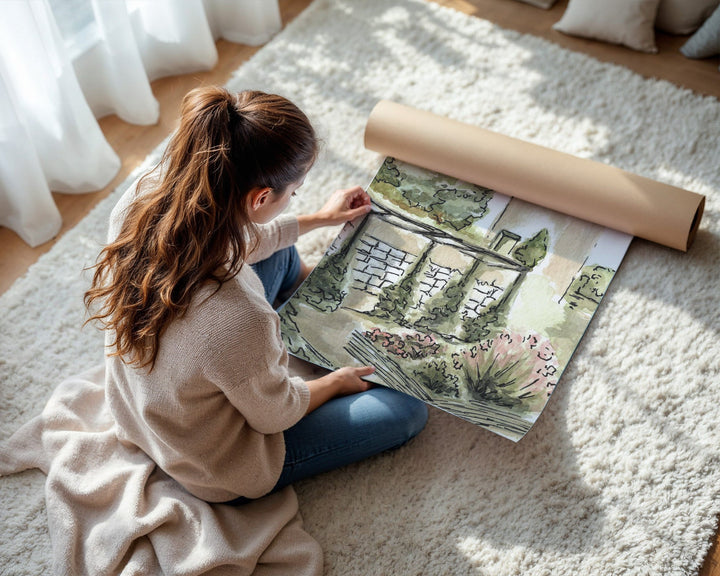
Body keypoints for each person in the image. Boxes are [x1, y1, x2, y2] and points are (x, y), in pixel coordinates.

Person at [84, 86, 428, 505]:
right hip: (212, 461)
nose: (294, 199)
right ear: (261, 197)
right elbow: (275, 415)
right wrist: (336, 382)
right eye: (294, 193)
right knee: (407, 411)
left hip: (146, 405)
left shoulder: (146, 193)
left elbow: (244, 239)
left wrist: (320, 218)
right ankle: (304, 333)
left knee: (279, 251)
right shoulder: (239, 316)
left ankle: (309, 308)